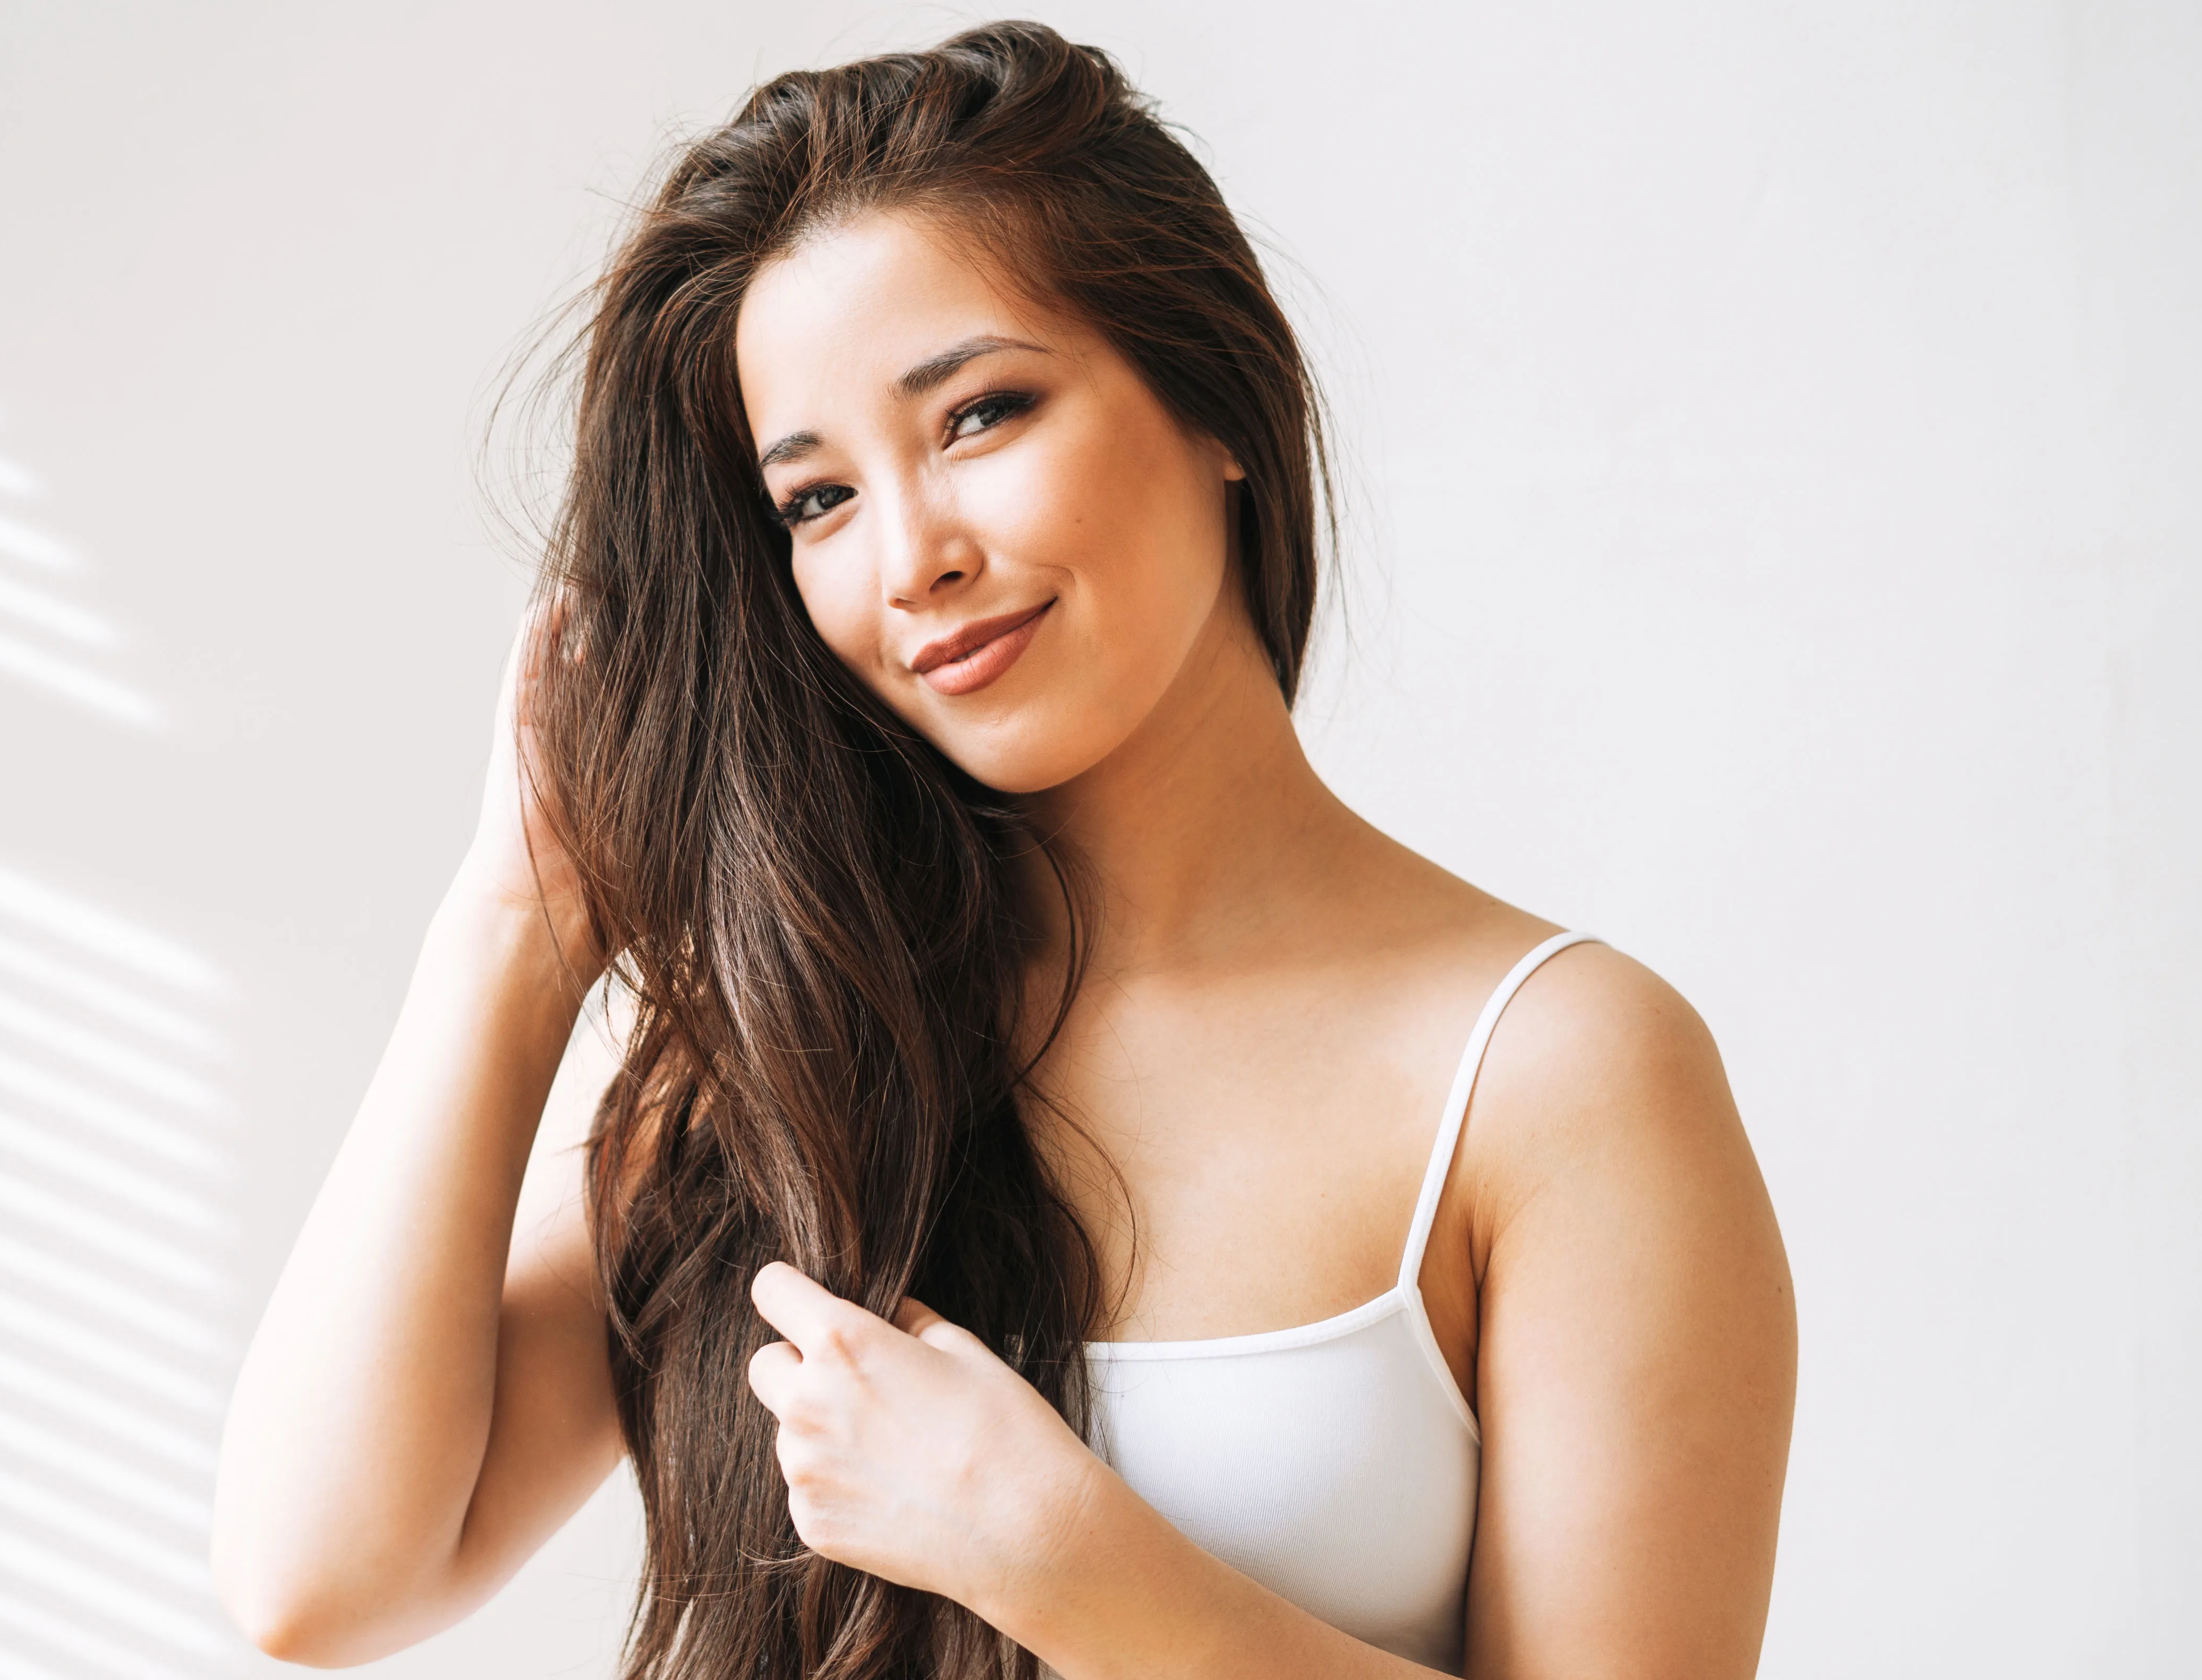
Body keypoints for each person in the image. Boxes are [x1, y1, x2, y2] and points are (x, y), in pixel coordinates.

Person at [210, 22, 1794, 1679]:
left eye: (980, 414)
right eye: (816, 500)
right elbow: (316, 1579)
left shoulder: (1560, 1075)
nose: (911, 558)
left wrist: (1070, 1563)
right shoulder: (774, 1050)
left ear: (1216, 398)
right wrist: (513, 927)